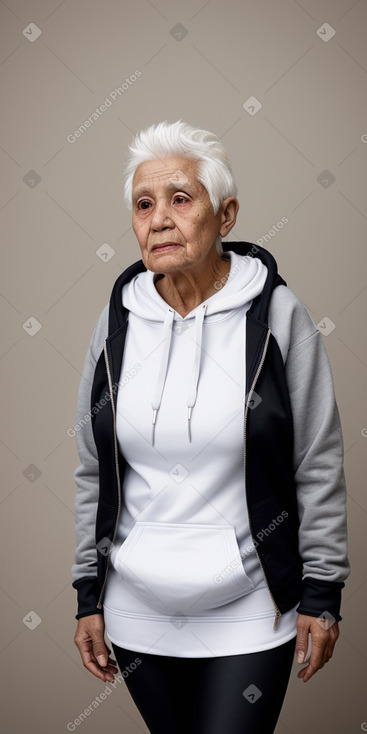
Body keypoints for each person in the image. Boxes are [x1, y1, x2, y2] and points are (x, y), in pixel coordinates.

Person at [71, 120, 350, 733]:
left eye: (179, 199)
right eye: (144, 205)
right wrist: (87, 594)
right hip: (137, 608)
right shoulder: (117, 323)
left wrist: (323, 593)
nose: (159, 219)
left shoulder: (278, 314)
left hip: (252, 607)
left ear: (225, 216)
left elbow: (318, 461)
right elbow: (95, 466)